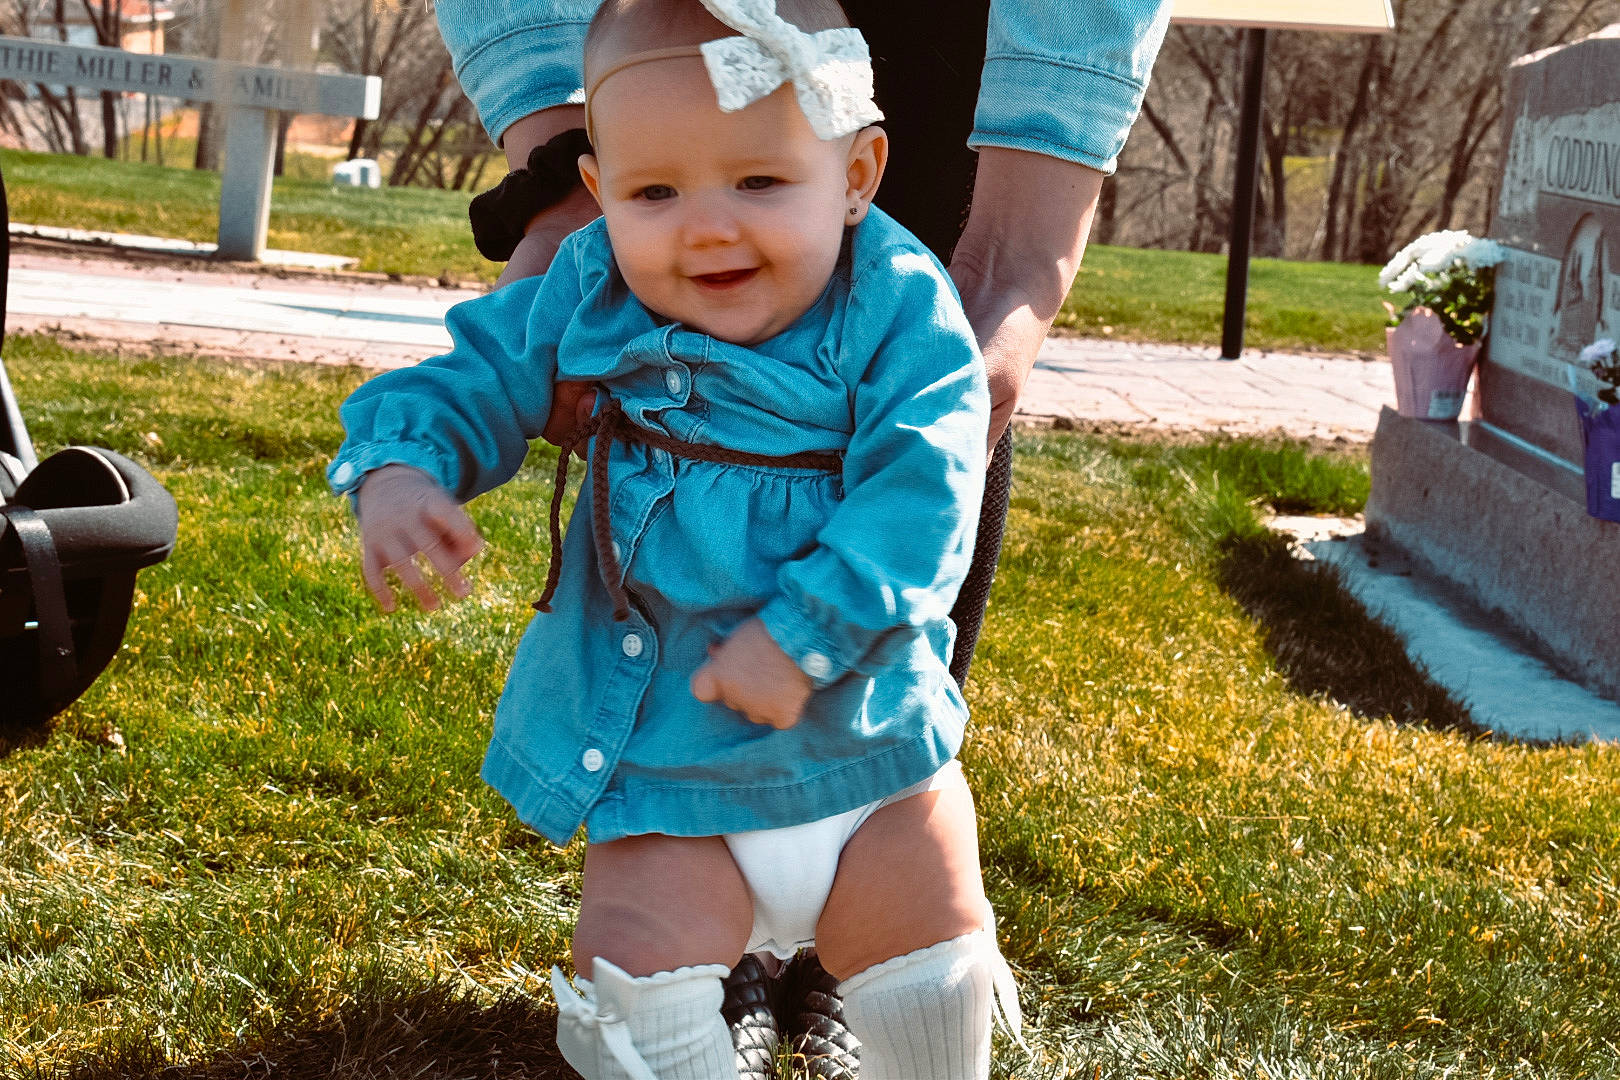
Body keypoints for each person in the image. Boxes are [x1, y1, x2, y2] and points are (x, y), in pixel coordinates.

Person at [329, 1, 1020, 1076]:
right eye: (656, 191)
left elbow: (924, 491)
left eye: (758, 182)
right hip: (664, 754)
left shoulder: (896, 309)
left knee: (924, 951)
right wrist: (402, 464)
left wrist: (808, 629)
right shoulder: (591, 279)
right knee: (633, 973)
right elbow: (477, 373)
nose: (707, 226)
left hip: (866, 750)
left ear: (857, 172)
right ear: (600, 193)